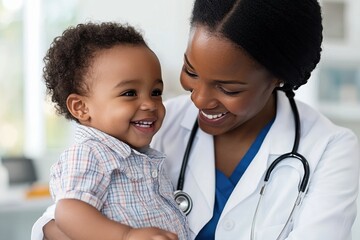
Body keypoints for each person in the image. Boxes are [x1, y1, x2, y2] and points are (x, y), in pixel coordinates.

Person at [32, 0, 360, 239]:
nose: (198, 99)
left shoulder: (329, 149)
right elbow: (56, 221)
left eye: (228, 87)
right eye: (191, 71)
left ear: (278, 78)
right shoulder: (150, 125)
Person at [32, 21, 190, 240]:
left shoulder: (142, 158)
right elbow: (69, 212)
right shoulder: (89, 154)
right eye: (129, 93)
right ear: (81, 107)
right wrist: (126, 236)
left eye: (155, 92)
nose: (149, 104)